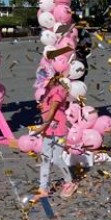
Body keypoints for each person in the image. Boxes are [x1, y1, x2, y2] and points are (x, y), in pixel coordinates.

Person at [31, 73, 76, 201]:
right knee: (45, 159)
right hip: (49, 131)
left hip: (58, 131)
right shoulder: (49, 91)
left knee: (56, 158)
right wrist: (42, 106)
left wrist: (42, 126)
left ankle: (69, 182)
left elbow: (53, 110)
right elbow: (47, 107)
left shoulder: (58, 91)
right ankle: (42, 189)